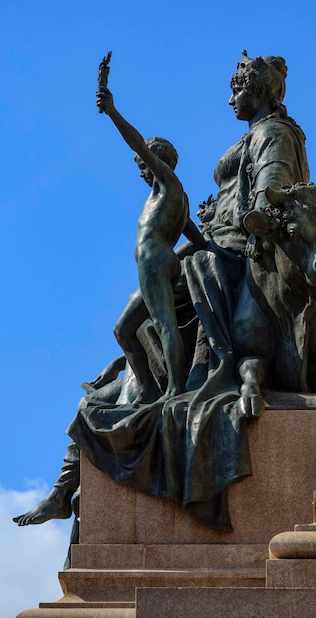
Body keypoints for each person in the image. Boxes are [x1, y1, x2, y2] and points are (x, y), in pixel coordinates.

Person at [13, 52, 316, 532]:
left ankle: (183, 385)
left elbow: (271, 192)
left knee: (149, 319)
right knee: (127, 339)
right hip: (213, 248)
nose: (230, 96)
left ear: (256, 88)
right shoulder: (256, 134)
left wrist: (247, 220)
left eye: (236, 87)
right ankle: (82, 468)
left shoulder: (273, 134)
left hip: (233, 255)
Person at [96, 87, 205, 402]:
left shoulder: (168, 184)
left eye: (144, 165)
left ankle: (175, 388)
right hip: (162, 262)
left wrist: (113, 112)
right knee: (123, 331)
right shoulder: (176, 200)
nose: (142, 172)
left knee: (163, 323)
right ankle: (145, 387)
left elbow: (136, 142)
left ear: (158, 162)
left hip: (154, 264)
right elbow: (198, 242)